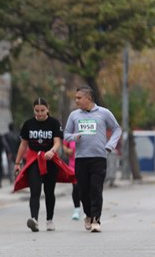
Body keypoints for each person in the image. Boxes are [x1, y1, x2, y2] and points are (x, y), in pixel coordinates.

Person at [64, 85, 122, 233]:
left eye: (79, 98)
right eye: (76, 98)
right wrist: (74, 137)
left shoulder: (104, 113)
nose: (76, 101)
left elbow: (117, 129)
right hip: (81, 158)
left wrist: (110, 145)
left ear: (88, 98)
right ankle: (88, 214)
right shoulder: (74, 115)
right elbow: (66, 135)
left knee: (96, 189)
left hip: (98, 158)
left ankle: (96, 219)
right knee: (83, 190)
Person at [13, 98, 75, 232]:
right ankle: (34, 219)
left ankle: (49, 220)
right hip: (34, 160)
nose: (40, 113)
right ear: (33, 110)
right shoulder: (28, 124)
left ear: (48, 109)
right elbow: (23, 144)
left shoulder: (54, 123)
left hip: (50, 160)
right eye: (37, 111)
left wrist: (52, 151)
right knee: (35, 190)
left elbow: (57, 142)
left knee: (49, 191)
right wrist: (17, 162)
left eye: (42, 110)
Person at [62, 139, 81, 220]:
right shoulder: (70, 133)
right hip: (73, 166)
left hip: (86, 165)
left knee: (85, 188)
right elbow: (64, 145)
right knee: (76, 187)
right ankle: (77, 209)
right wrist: (67, 150)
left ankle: (88, 210)